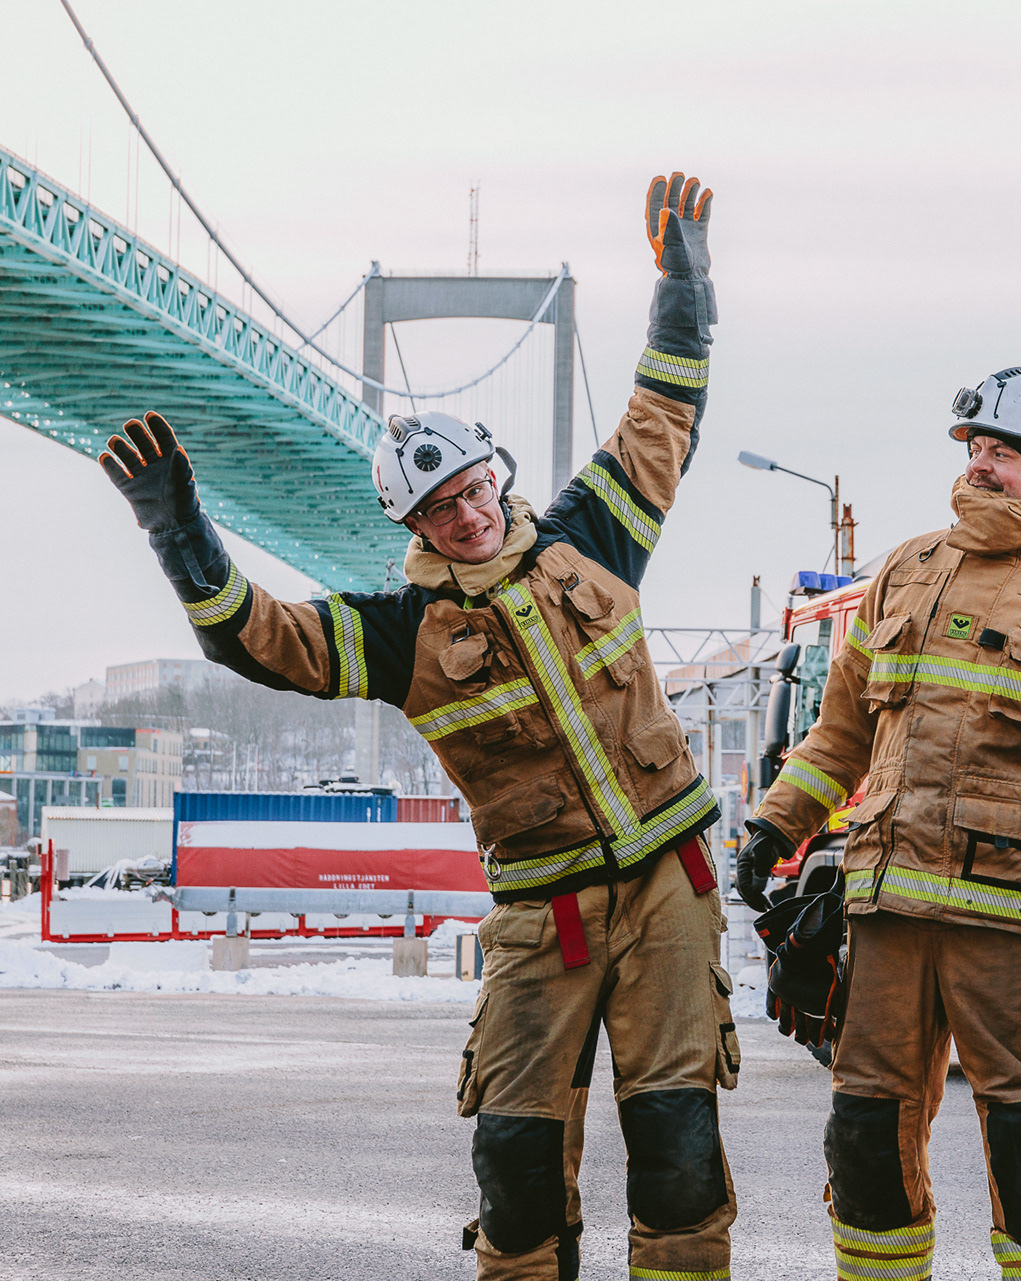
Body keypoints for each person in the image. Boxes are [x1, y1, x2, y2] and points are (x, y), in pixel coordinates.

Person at [98, 173, 736, 1281]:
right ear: (415, 523)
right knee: (515, 1160)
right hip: (544, 913)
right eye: (444, 506)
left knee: (677, 1153)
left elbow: (663, 411)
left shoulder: (596, 535)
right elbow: (257, 636)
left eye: (478, 486)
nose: (473, 512)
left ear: (498, 473)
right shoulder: (398, 634)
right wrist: (179, 534)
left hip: (665, 884)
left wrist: (686, 283)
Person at [738, 368, 1021, 1281]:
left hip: (1017, 930)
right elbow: (843, 729)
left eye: (1003, 453)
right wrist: (778, 826)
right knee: (863, 1144)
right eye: (974, 449)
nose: (981, 468)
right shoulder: (908, 566)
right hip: (889, 917)